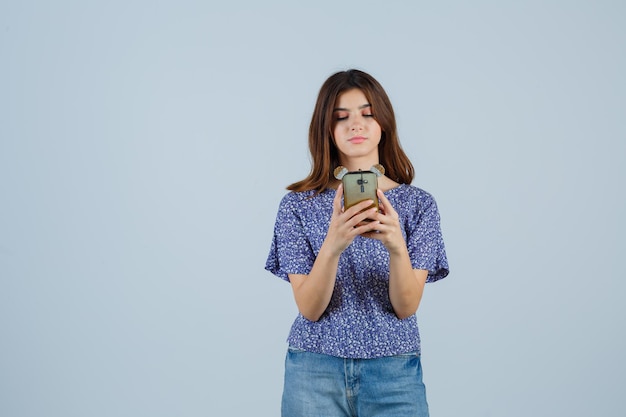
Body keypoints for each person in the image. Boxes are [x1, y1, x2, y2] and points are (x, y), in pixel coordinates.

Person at [265, 69, 449, 417]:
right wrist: (333, 244)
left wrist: (396, 247)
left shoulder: (419, 205)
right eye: (340, 117)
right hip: (314, 369)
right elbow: (310, 308)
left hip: (394, 370)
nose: (356, 125)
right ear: (326, 129)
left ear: (384, 123)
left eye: (367, 113)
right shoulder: (297, 206)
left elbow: (406, 307)